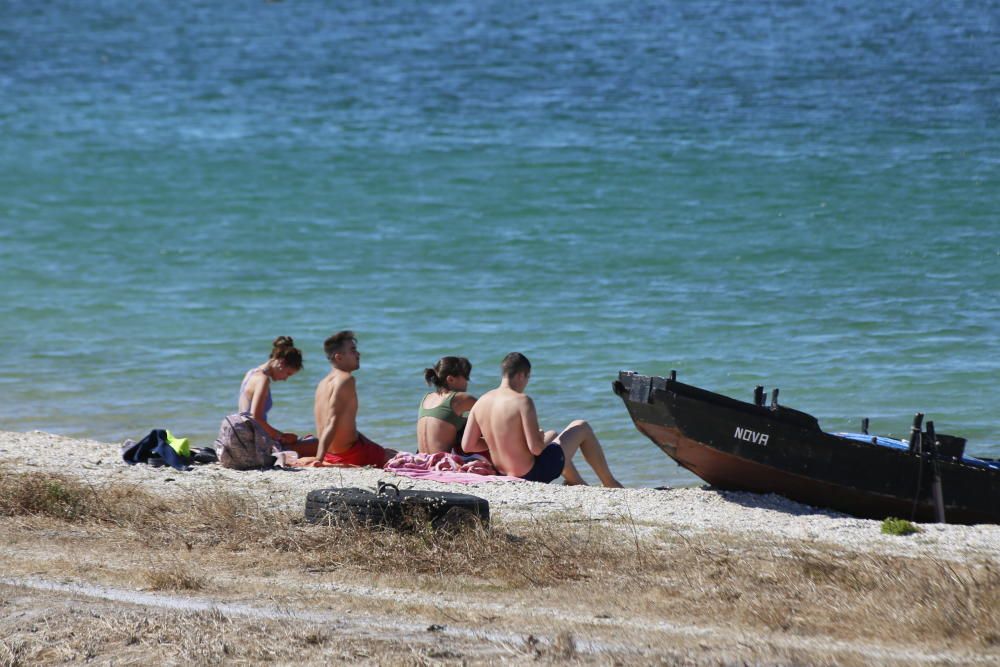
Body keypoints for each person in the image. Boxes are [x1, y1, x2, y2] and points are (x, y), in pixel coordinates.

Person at [461, 352, 623, 487]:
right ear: (521, 375)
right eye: (527, 378)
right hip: (531, 474)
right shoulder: (522, 401)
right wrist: (537, 437)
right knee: (581, 426)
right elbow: (536, 449)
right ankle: (610, 483)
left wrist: (499, 442)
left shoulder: (481, 401)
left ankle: (577, 482)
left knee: (552, 435)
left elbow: (467, 445)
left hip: (503, 472)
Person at [313, 330, 396, 466]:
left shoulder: (322, 383)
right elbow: (332, 421)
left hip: (331, 453)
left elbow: (337, 425)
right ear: (339, 357)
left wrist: (323, 455)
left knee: (389, 451)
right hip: (350, 454)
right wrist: (318, 459)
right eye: (353, 350)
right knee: (398, 458)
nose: (358, 354)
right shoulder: (346, 379)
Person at [237, 336, 315, 457]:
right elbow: (256, 418)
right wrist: (280, 436)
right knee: (318, 445)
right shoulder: (262, 380)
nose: (285, 379)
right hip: (255, 445)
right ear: (281, 363)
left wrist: (281, 435)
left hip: (245, 439)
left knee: (305, 441)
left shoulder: (252, 373)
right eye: (288, 374)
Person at [417, 356, 477, 454]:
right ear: (450, 379)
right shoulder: (461, 398)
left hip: (421, 459)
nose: (467, 383)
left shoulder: (427, 397)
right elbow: (488, 412)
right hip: (440, 461)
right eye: (466, 378)